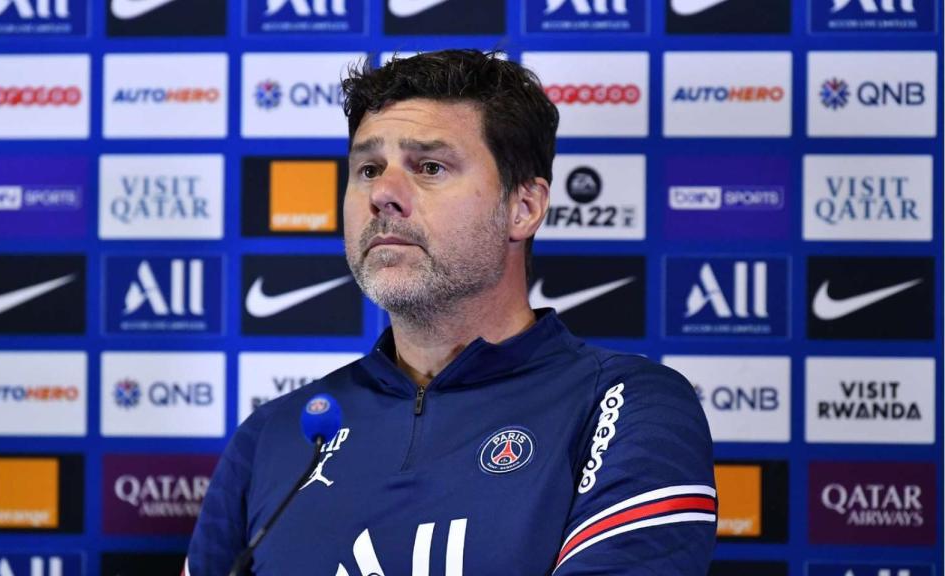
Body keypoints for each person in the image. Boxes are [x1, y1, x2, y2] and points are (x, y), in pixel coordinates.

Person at [186, 49, 716, 575]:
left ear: (523, 207)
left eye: (431, 167)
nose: (383, 194)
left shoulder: (625, 405)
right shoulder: (275, 433)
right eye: (368, 168)